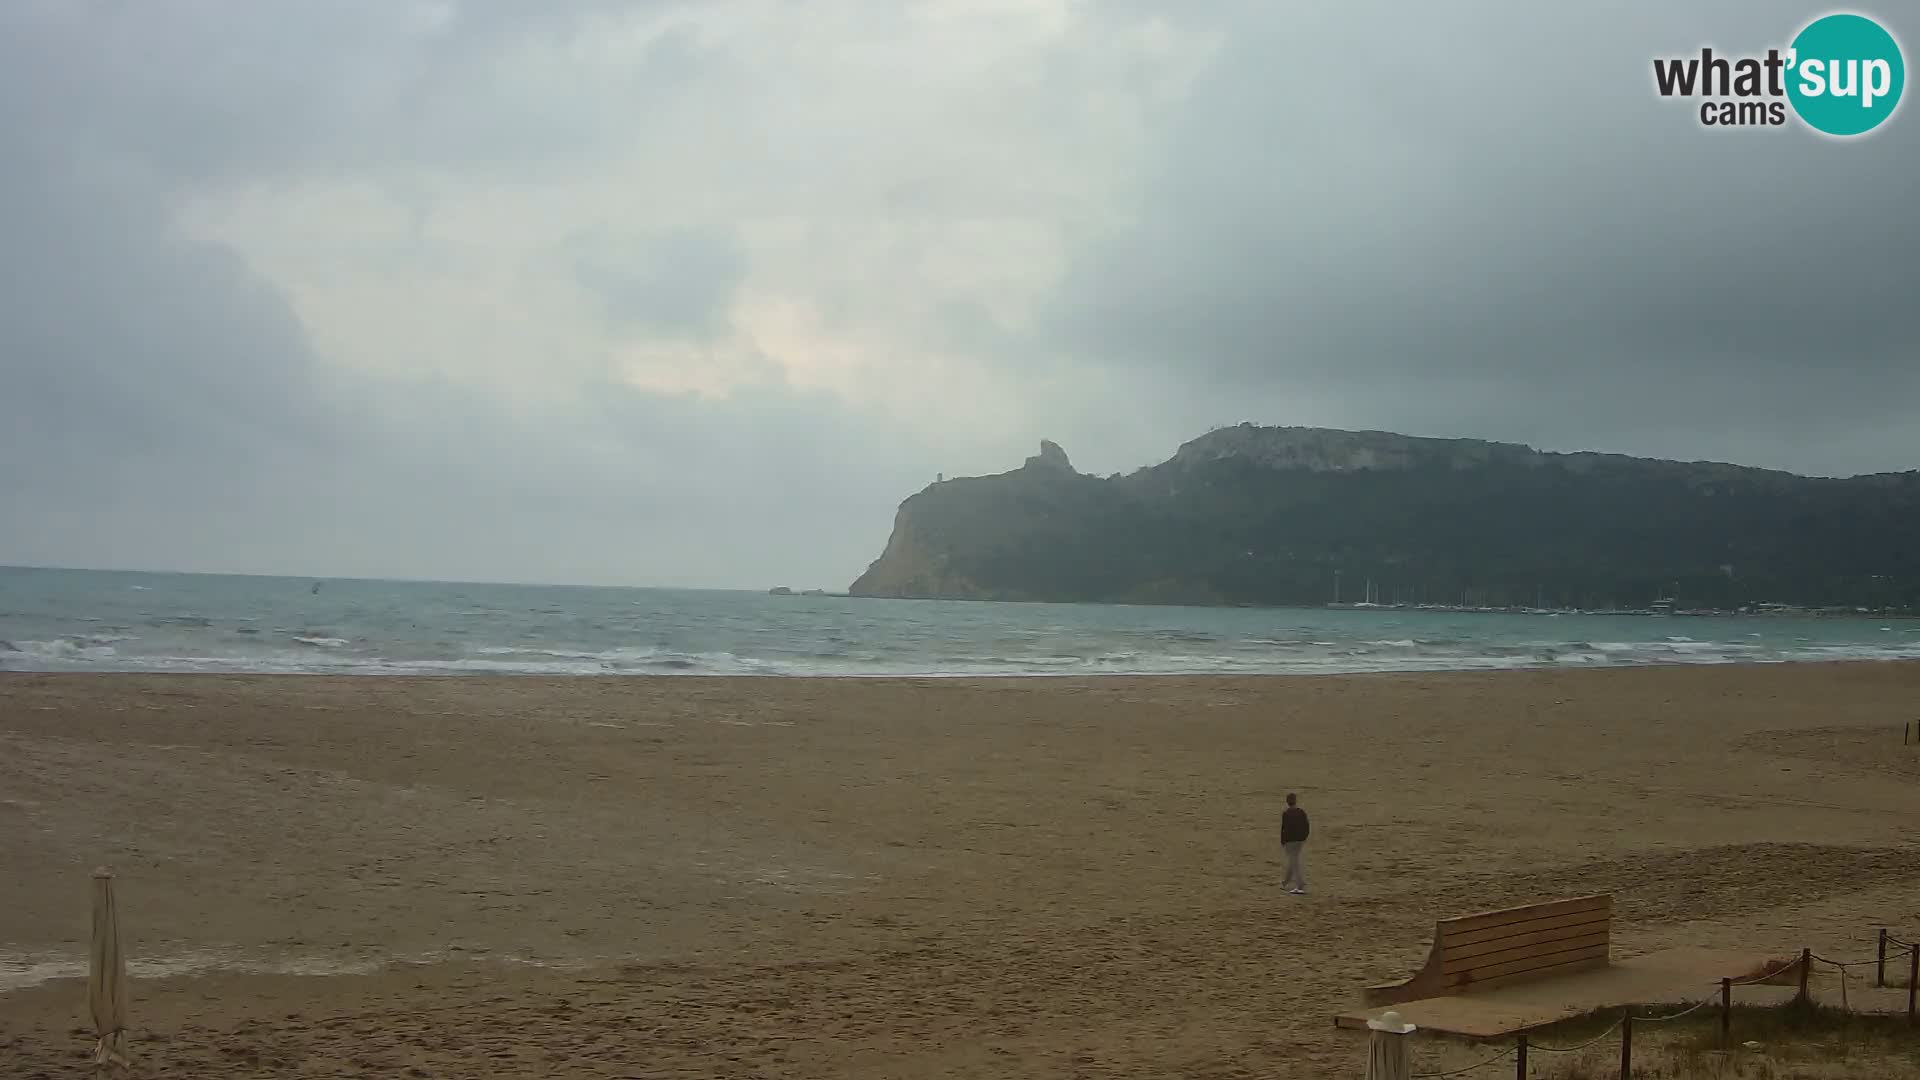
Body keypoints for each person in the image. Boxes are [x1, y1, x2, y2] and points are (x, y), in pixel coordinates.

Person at [1280, 792, 1309, 894]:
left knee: (1294, 862)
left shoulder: (1286, 813)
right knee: (1293, 861)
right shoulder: (1301, 812)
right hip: (1300, 841)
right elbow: (1306, 826)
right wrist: (1304, 837)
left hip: (1290, 842)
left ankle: (1299, 885)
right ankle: (1285, 882)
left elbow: (1283, 829)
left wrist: (1283, 841)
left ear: (1287, 802)